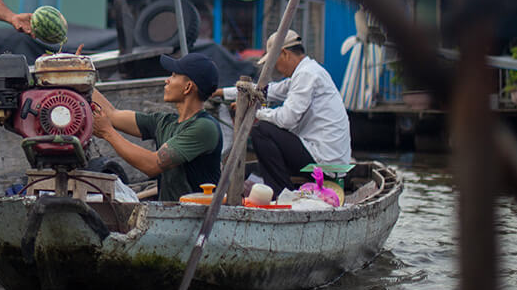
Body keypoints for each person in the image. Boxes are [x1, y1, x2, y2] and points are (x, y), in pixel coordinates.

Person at [90, 53, 222, 202]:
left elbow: (152, 164)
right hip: (170, 217)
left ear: (188, 87)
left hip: (196, 220)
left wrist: (108, 133)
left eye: (173, 76)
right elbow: (112, 115)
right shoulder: (165, 122)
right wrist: (79, 76)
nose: (167, 80)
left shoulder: (204, 128)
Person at [245, 29, 352, 196]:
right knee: (266, 139)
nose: (276, 68)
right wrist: (224, 93)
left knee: (262, 131)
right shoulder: (306, 72)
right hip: (324, 158)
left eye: (275, 61)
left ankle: (281, 194)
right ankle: (280, 189)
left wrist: (256, 113)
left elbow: (287, 119)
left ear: (285, 54)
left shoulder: (306, 74)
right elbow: (268, 90)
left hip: (324, 164)